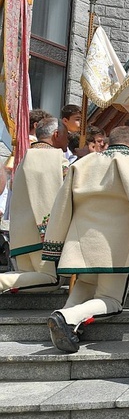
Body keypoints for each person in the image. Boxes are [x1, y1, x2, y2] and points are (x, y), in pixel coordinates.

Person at [43, 126, 129, 353]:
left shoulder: (83, 163)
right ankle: (67, 317)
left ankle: (64, 319)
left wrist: (54, 244)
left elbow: (61, 205)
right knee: (111, 300)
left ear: (109, 142)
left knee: (86, 284)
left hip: (82, 241)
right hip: (120, 245)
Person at [0, 118, 69, 293]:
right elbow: (71, 191)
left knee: (26, 276)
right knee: (51, 280)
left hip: (21, 234)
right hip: (44, 236)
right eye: (66, 135)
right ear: (56, 134)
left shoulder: (25, 157)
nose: (68, 140)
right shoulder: (56, 158)